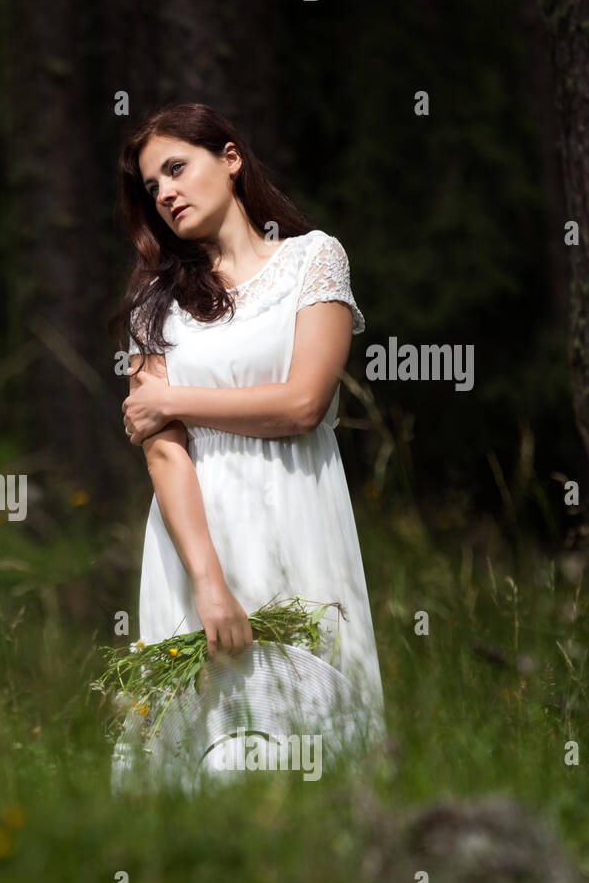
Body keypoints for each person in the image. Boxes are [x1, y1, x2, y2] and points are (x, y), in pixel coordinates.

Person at [110, 102, 386, 766]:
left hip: (298, 510)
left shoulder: (312, 260)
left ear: (229, 159)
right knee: (208, 743)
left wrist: (173, 397)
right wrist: (206, 580)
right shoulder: (154, 300)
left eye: (176, 169)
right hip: (194, 532)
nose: (166, 194)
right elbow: (160, 446)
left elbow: (300, 404)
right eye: (152, 188)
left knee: (318, 727)